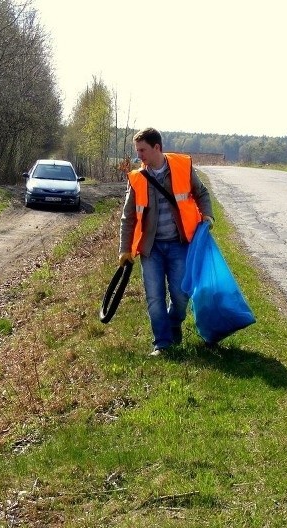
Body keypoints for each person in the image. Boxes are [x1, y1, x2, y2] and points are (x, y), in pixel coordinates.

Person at [118, 127, 214, 356]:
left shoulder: (182, 167)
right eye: (137, 151)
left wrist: (208, 216)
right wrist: (124, 249)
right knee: (154, 297)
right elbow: (128, 216)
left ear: (157, 148)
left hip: (179, 244)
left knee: (181, 295)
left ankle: (173, 324)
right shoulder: (138, 178)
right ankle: (162, 343)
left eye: (142, 150)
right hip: (151, 249)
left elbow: (201, 193)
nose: (139, 155)